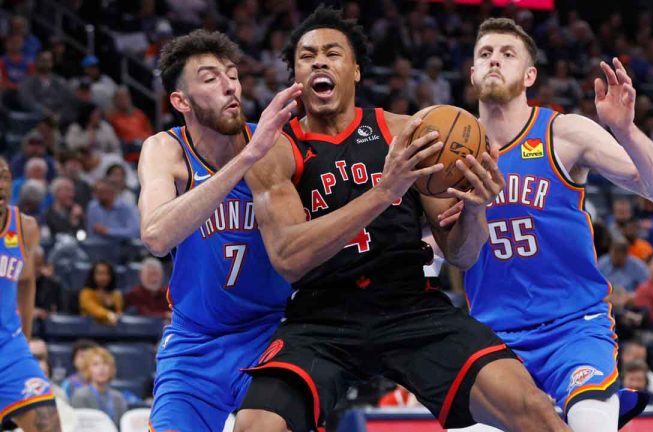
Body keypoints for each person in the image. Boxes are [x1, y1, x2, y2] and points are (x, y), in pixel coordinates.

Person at [235, 8, 566, 432]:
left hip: (410, 305)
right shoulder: (275, 148)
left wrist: (477, 208)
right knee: (254, 426)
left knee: (534, 409)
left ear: (354, 70)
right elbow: (287, 256)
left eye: (332, 53)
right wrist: (384, 192)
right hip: (321, 316)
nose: (319, 61)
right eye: (307, 55)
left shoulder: (408, 132)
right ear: (296, 74)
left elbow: (461, 255)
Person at [447, 17, 653, 432]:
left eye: (507, 53)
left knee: (591, 425)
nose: (494, 60)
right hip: (493, 338)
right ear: (472, 73)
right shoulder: (451, 153)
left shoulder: (563, 133)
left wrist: (626, 130)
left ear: (530, 74)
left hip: (573, 328)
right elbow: (433, 246)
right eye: (485, 54)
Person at [138, 29, 300, 432]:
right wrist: (247, 158)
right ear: (181, 101)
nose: (230, 86)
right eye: (210, 78)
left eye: (232, 74)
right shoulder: (166, 149)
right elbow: (156, 235)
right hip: (194, 343)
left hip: (272, 335)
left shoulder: (276, 146)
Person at [0, 158, 61, 431]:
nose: (0, 184)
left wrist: (24, 337)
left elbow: (25, 281)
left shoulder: (25, 227)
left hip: (8, 347)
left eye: (4, 176)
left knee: (49, 424)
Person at [70, 347, 127, 425]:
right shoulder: (80, 396)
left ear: (111, 369)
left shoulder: (118, 398)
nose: (101, 368)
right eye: (95, 364)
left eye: (105, 364)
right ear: (87, 369)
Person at [79, 260, 122, 326]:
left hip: (112, 333)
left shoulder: (116, 294)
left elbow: (118, 314)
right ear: (93, 275)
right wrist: (109, 315)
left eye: (107, 273)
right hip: (88, 332)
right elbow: (94, 310)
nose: (104, 277)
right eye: (100, 273)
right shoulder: (86, 293)